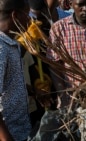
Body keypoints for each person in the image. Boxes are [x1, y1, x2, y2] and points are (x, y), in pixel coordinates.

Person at [47, 0, 86, 108]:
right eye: (81, 5)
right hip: (73, 98)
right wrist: (63, 94)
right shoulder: (59, 28)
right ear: (71, 4)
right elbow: (54, 64)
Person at [0, 0, 31, 140]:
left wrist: (31, 91)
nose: (30, 20)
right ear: (15, 15)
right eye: (27, 14)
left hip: (20, 131)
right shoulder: (1, 48)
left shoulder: (12, 43)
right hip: (8, 133)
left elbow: (9, 83)